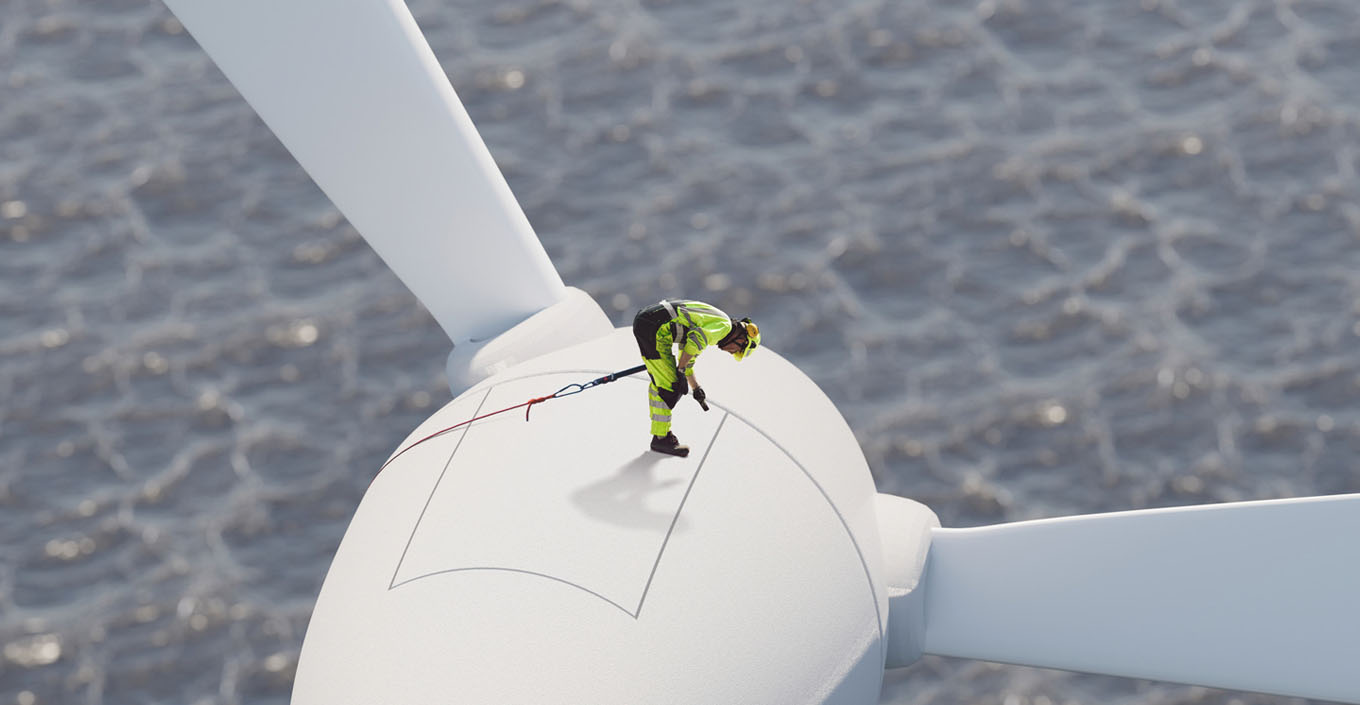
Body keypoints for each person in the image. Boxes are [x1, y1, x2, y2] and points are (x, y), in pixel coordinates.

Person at [631, 299, 761, 457]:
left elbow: (688, 358)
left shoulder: (717, 323)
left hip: (650, 323)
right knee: (670, 387)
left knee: (663, 383)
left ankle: (660, 435)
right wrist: (679, 372)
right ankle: (661, 439)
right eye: (738, 350)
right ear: (741, 339)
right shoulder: (723, 328)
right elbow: (694, 344)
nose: (732, 353)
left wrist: (696, 388)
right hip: (654, 328)